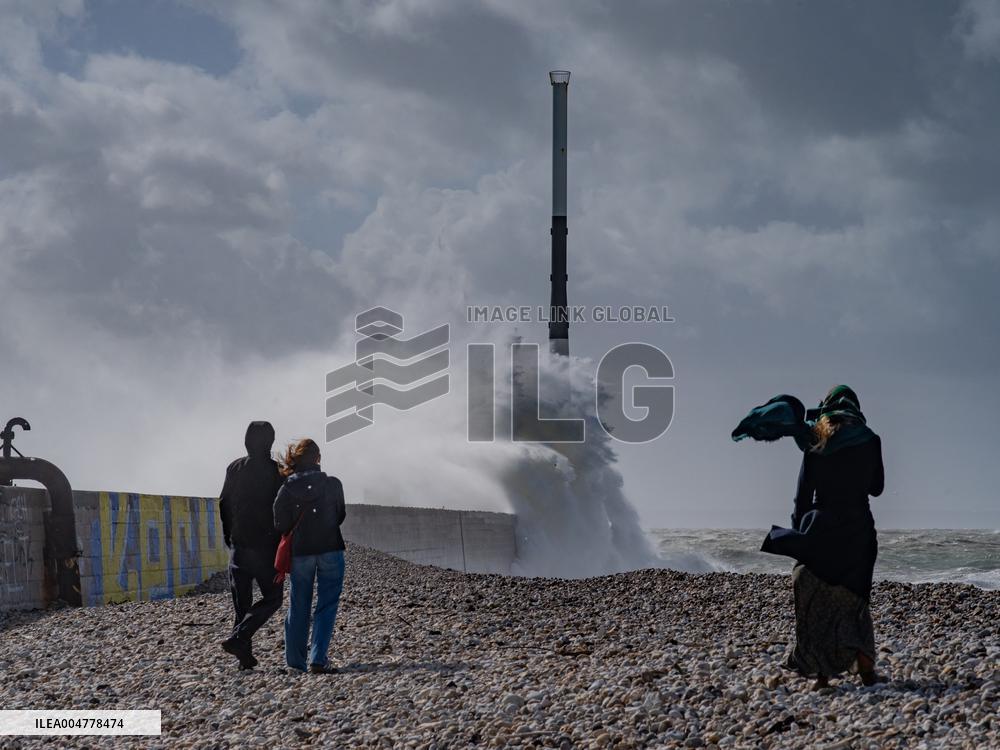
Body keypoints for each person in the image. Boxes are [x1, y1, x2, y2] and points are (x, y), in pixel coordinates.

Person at [760, 385, 886, 689]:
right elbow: (877, 488)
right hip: (857, 531)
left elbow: (802, 496)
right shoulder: (870, 439)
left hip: (819, 529)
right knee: (855, 599)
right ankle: (866, 671)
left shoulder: (816, 437)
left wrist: (799, 533)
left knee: (814, 600)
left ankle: (822, 676)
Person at [273, 438, 347, 674]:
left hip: (301, 553)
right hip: (330, 548)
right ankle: (317, 658)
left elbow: (280, 523)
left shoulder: (286, 488)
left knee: (299, 605)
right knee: (327, 603)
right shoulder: (333, 484)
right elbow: (340, 516)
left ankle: (295, 662)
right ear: (317, 459)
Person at [218, 421, 285, 670]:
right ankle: (240, 639)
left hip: (238, 546)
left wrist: (229, 535)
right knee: (273, 598)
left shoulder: (234, 468)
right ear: (271, 441)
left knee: (241, 604)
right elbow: (282, 511)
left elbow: (223, 503)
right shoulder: (277, 471)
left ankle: (244, 657)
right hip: (266, 548)